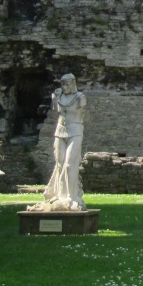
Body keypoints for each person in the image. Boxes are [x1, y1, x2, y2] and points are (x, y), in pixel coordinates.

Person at [41, 73, 87, 211]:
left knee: (69, 164)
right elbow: (57, 110)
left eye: (67, 84)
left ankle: (72, 196)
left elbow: (80, 110)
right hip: (60, 130)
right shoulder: (58, 97)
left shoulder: (80, 97)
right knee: (60, 163)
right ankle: (60, 195)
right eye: (62, 84)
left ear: (72, 84)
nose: (64, 87)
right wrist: (55, 98)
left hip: (75, 130)